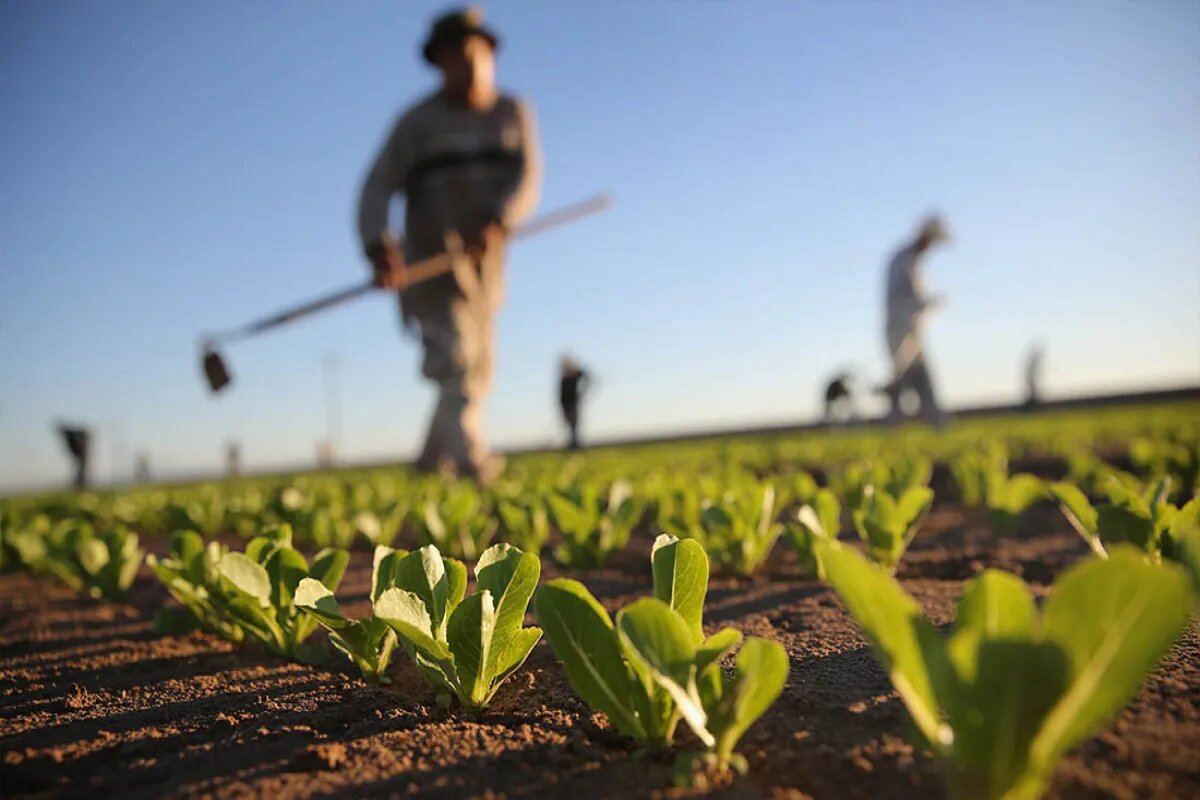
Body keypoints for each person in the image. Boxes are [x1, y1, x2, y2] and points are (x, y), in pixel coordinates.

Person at [357, 7, 541, 484]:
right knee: (455, 364)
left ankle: (427, 462)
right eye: (453, 58)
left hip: (486, 272)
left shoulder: (512, 113)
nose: (466, 67)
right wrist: (379, 244)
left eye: (473, 55)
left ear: (490, 55)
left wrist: (500, 218)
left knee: (477, 370)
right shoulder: (416, 124)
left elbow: (527, 178)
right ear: (438, 64)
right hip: (430, 268)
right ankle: (471, 464)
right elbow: (376, 186)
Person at [881, 215, 950, 426]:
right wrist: (929, 303)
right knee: (902, 382)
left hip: (911, 331)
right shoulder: (904, 260)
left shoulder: (910, 259)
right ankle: (895, 429)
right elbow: (904, 298)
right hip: (901, 331)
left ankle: (938, 425)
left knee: (921, 381)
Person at [559, 356, 590, 450]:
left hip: (574, 405)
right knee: (571, 427)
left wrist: (583, 390)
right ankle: (573, 444)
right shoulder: (564, 379)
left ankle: (575, 445)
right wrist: (563, 409)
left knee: (575, 426)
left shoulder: (575, 375)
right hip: (566, 407)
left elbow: (586, 376)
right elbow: (562, 396)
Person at [57, 424, 91, 490]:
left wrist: (79, 453)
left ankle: (81, 486)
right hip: (81, 453)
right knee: (80, 469)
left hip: (82, 452)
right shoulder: (70, 436)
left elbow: (78, 446)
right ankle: (80, 486)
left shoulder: (72, 436)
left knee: (81, 470)